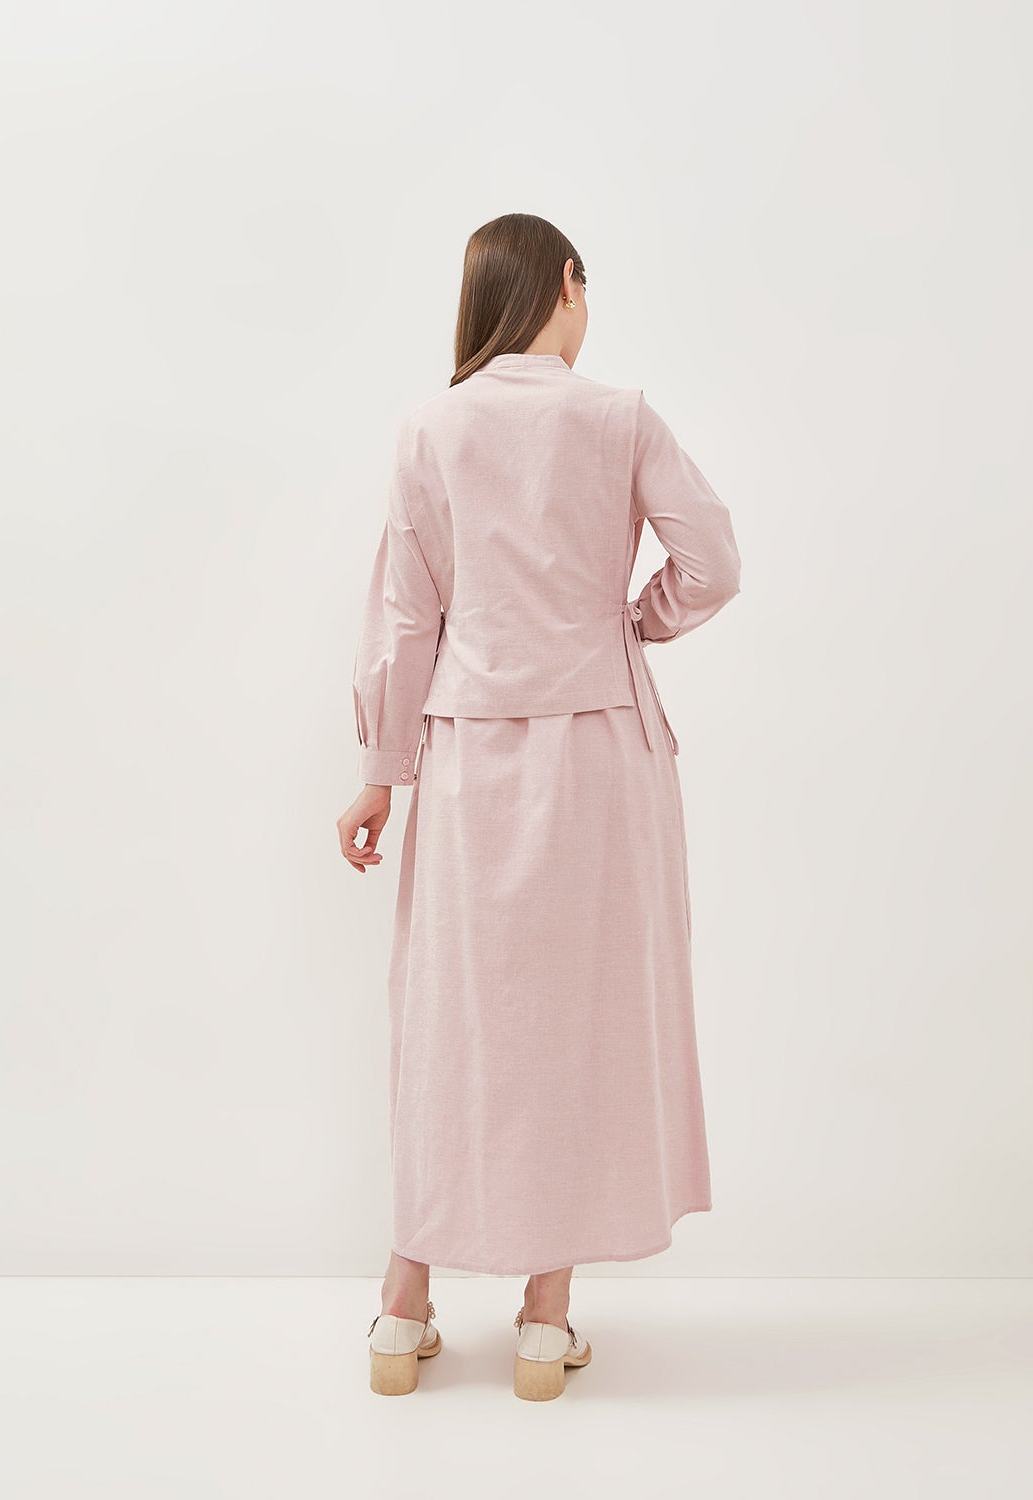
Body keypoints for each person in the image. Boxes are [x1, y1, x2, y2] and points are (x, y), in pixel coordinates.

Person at [338, 212, 742, 1400]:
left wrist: (380, 772)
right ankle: (542, 1323)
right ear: (566, 286)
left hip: (470, 754)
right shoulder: (620, 418)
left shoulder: (431, 428)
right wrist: (632, 625)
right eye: (585, 285)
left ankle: (401, 1311)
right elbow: (714, 563)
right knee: (575, 1021)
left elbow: (406, 618)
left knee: (448, 1018)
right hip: (601, 752)